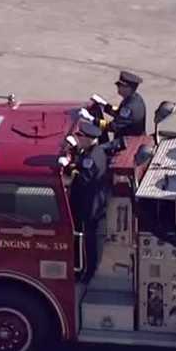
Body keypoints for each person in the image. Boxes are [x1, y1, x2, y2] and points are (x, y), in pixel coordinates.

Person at [68, 120, 110, 282]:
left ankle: (88, 272)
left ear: (87, 138)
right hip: (95, 202)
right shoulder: (97, 151)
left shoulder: (90, 158)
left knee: (89, 241)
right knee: (92, 239)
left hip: (89, 204)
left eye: (81, 136)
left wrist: (70, 169)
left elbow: (83, 178)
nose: (79, 139)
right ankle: (90, 268)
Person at [110, 70, 147, 137]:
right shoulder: (135, 98)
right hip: (134, 138)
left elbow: (114, 126)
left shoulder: (129, 107)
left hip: (128, 142)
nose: (118, 87)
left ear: (128, 88)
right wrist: (103, 105)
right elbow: (118, 112)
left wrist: (94, 121)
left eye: (120, 85)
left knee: (99, 148)